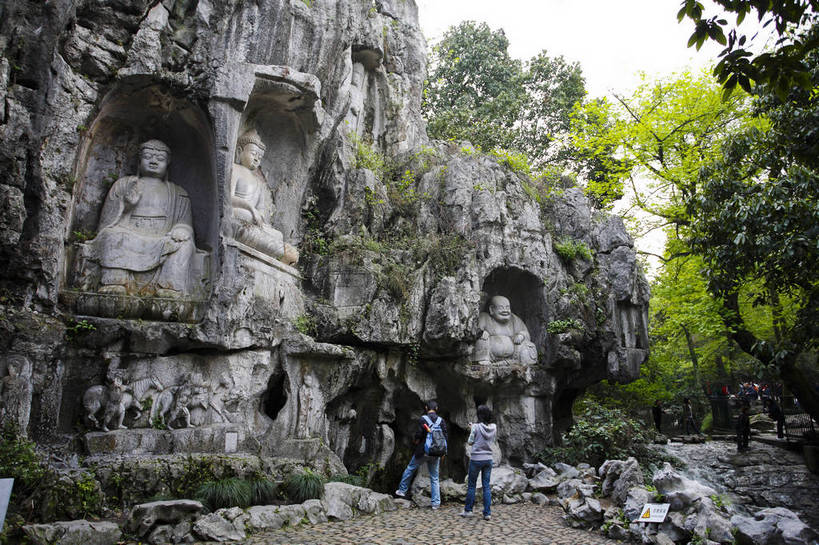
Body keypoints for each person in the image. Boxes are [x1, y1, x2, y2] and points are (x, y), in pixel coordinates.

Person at [91, 139, 196, 297]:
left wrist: (181, 230)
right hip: (129, 233)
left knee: (184, 246)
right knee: (111, 236)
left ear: (168, 163)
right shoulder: (124, 185)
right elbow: (107, 223)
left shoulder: (178, 193)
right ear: (139, 160)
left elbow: (185, 223)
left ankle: (169, 288)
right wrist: (125, 205)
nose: (153, 161)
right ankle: (116, 281)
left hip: (162, 238)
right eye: (148, 156)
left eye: (160, 159)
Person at [395, 400, 448, 509]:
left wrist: (416, 440)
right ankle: (436, 503)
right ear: (436, 408)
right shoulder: (441, 421)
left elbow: (419, 434)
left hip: (423, 451)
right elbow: (445, 437)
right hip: (436, 453)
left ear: (426, 408)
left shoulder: (423, 419)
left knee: (410, 468)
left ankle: (402, 490)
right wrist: (443, 452)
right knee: (434, 478)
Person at [472, 295, 537, 364]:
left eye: (507, 307)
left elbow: (526, 334)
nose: (505, 310)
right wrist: (483, 332)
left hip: (513, 355)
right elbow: (476, 331)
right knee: (482, 337)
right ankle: (483, 359)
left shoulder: (514, 319)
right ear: (491, 309)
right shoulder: (485, 317)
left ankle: (518, 361)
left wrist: (521, 335)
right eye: (501, 307)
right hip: (491, 355)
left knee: (528, 344)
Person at [460, 404, 496, 521]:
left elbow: (470, 442)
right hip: (488, 459)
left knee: (472, 485)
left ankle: (468, 511)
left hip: (476, 459)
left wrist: (472, 429)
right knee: (486, 486)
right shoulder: (494, 427)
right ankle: (487, 513)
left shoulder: (475, 427)